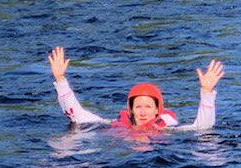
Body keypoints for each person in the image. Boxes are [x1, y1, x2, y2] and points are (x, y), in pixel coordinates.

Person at [48, 46, 224, 131]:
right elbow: (76, 115)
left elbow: (203, 127)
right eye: (138, 106)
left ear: (157, 110)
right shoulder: (114, 124)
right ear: (130, 109)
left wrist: (207, 93)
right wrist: (60, 79)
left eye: (148, 107)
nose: (142, 112)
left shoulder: (167, 130)